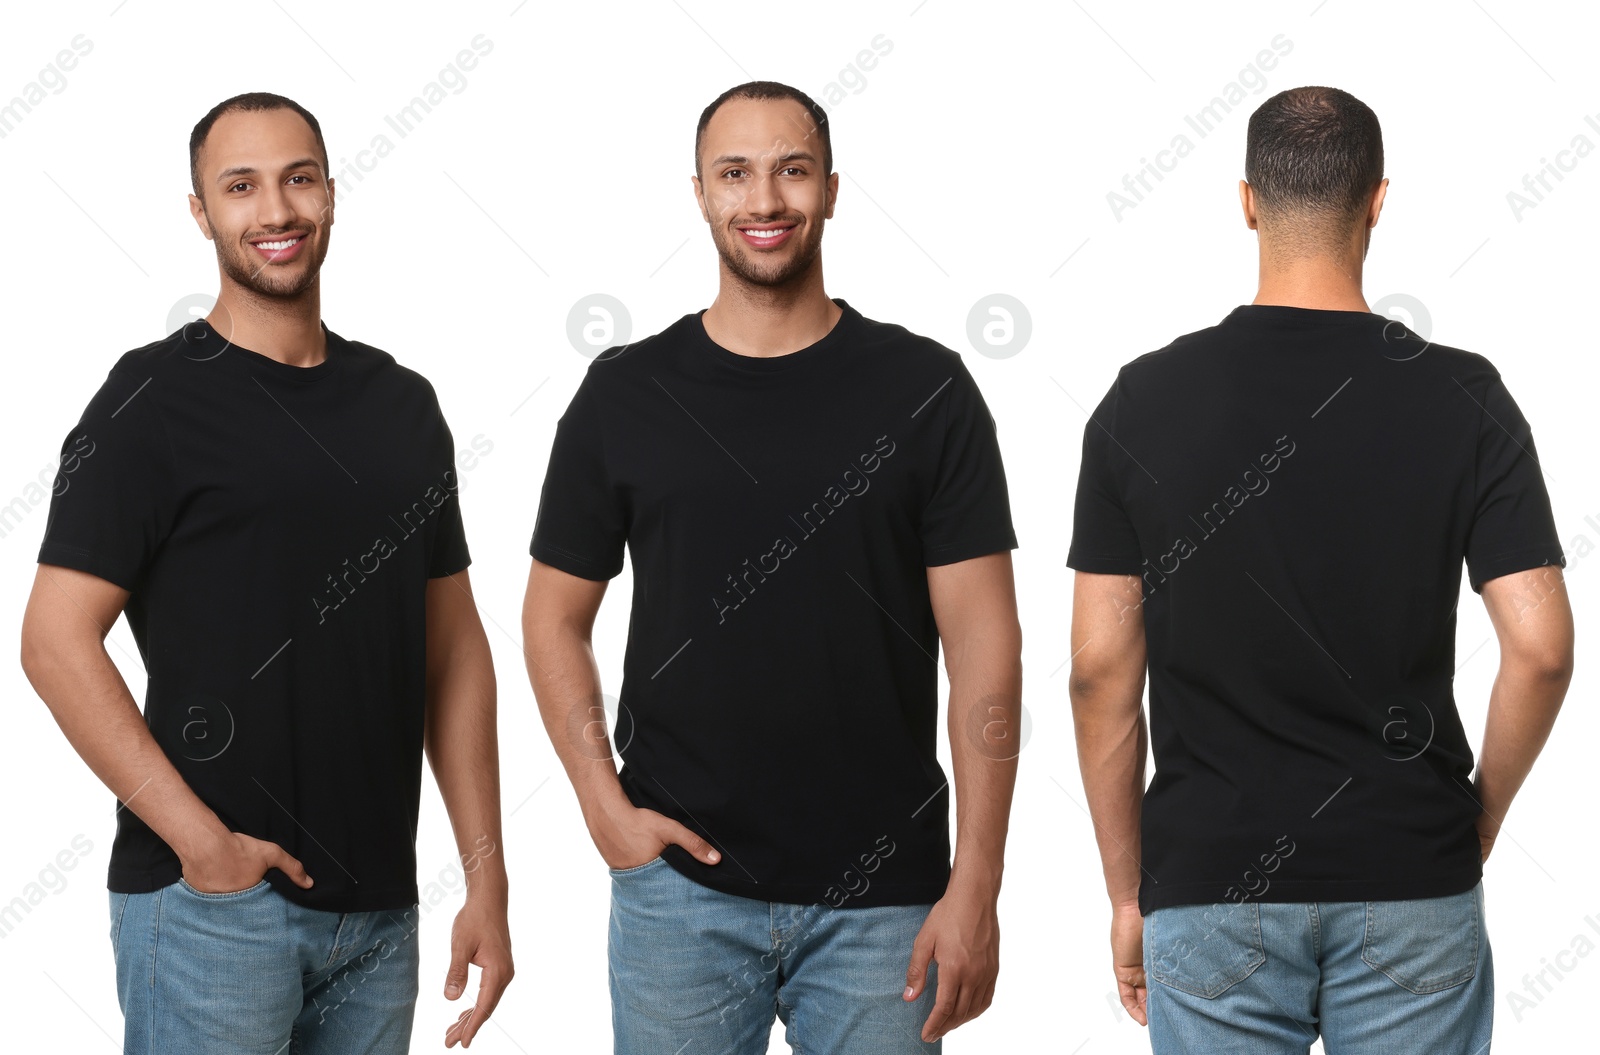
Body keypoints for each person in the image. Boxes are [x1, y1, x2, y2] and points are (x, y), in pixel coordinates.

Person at [1066, 84, 1575, 1054]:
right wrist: (1475, 823)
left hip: (1212, 882)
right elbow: (1541, 647)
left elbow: (1097, 671)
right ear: (1378, 200)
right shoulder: (1462, 396)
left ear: (1247, 200)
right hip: (1409, 872)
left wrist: (1129, 891)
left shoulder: (1142, 402)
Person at [521, 81, 1021, 1053]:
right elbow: (551, 617)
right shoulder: (627, 393)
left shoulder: (925, 391)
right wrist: (602, 806)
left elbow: (986, 647)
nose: (764, 200)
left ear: (831, 190)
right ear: (700, 194)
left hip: (886, 901)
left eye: (791, 170)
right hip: (681, 897)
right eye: (735, 173)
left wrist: (978, 882)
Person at [19, 92, 513, 1053]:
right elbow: (51, 640)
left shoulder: (403, 405)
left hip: (378, 917)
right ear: (202, 213)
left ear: (331, 192)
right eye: (240, 187)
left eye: (297, 179)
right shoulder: (151, 400)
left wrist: (484, 875)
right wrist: (202, 845)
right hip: (212, 913)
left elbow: (455, 651)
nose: (275, 211)